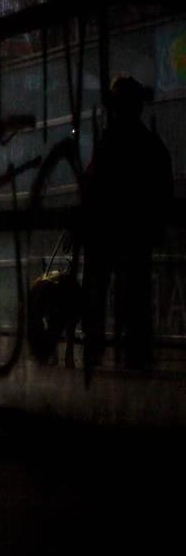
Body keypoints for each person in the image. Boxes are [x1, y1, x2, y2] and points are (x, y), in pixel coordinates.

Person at [80, 75, 173, 371]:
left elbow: (92, 186)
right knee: (136, 292)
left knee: (98, 285)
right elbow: (163, 191)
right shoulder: (150, 144)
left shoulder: (109, 143)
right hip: (136, 233)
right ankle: (136, 348)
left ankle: (96, 346)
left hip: (107, 232)